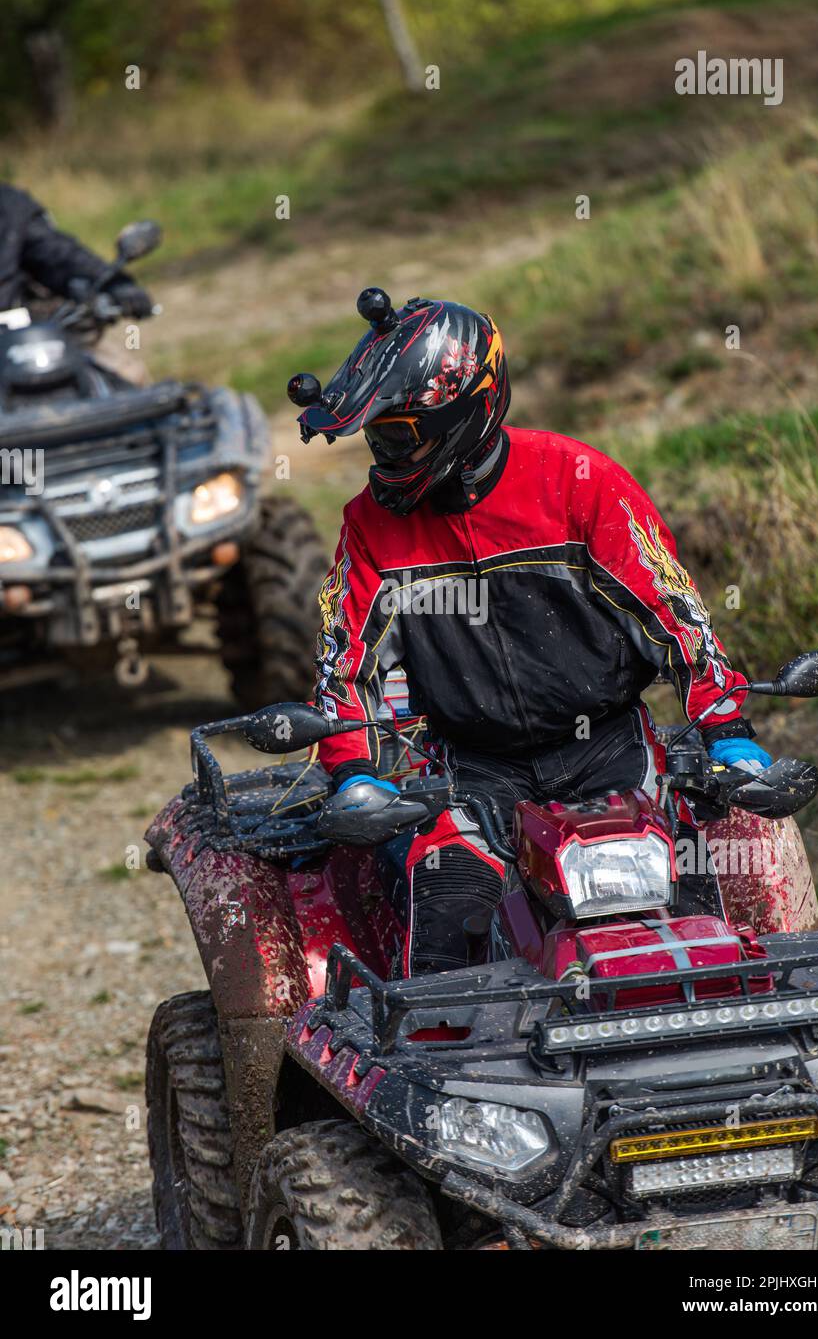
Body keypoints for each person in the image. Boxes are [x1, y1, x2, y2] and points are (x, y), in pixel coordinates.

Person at [291, 288, 771, 976]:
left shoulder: (579, 481)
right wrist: (352, 772)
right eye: (378, 438)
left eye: (401, 437)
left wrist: (726, 731)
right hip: (471, 769)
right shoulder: (371, 524)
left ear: (471, 409)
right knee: (447, 916)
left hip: (610, 753)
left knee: (693, 916)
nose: (386, 456)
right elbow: (345, 664)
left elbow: (675, 615)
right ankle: (445, 1072)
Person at [0, 183, 152, 316]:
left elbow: (59, 255)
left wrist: (112, 282)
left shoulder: (9, 206)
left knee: (98, 346)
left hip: (13, 336)